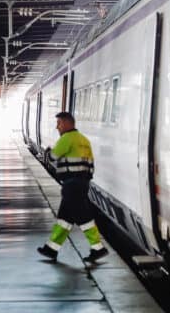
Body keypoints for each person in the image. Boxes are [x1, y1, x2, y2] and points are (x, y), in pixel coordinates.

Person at [37, 112, 109, 263]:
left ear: (67, 123)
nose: (57, 127)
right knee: (65, 218)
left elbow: (52, 158)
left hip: (72, 184)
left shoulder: (66, 139)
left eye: (59, 123)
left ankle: (98, 248)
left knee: (83, 217)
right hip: (83, 183)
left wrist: (49, 151)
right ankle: (52, 248)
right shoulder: (84, 140)